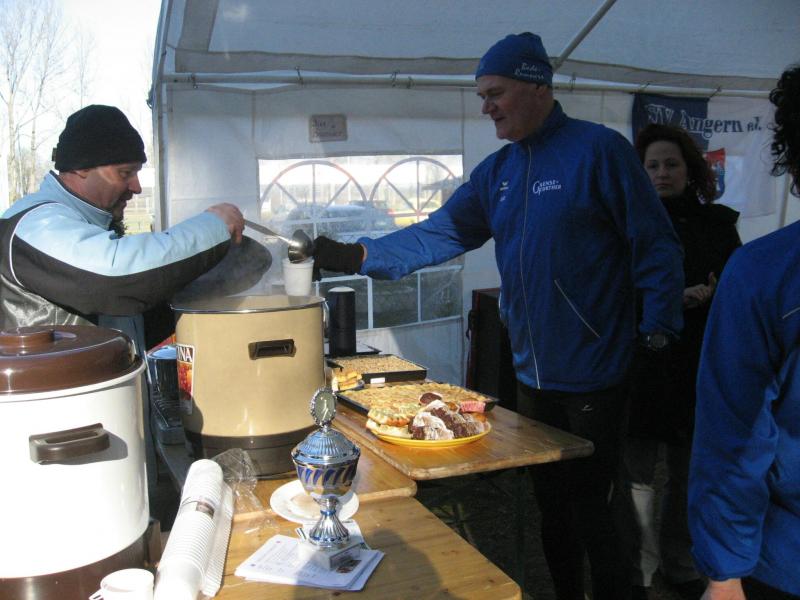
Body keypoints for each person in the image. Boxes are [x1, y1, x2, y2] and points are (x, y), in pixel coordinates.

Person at [313, 33, 684, 600]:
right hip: (531, 373)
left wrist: (657, 329)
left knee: (593, 507)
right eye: (481, 96)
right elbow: (440, 233)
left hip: (595, 371)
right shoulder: (498, 173)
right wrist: (358, 255)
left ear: (537, 86)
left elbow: (654, 243)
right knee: (549, 506)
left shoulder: (598, 151)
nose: (485, 107)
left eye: (495, 93)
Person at [0, 104, 245, 486]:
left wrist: (223, 278)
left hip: (95, 434)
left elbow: (126, 313)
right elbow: (115, 278)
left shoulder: (84, 228)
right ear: (82, 167)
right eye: (125, 173)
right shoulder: (36, 223)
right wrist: (212, 226)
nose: (136, 187)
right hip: (59, 448)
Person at [688, 65, 800, 600]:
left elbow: (734, 435)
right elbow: (735, 433)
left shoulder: (762, 270)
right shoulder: (765, 273)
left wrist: (725, 570)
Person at [621, 124, 741, 600]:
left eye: (671, 164)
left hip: (697, 363)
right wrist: (668, 301)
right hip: (642, 364)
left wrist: (715, 293)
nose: (662, 173)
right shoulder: (625, 224)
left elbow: (737, 286)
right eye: (652, 165)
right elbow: (611, 292)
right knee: (638, 474)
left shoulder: (717, 225)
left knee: (690, 470)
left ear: (690, 170)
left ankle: (680, 560)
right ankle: (640, 571)